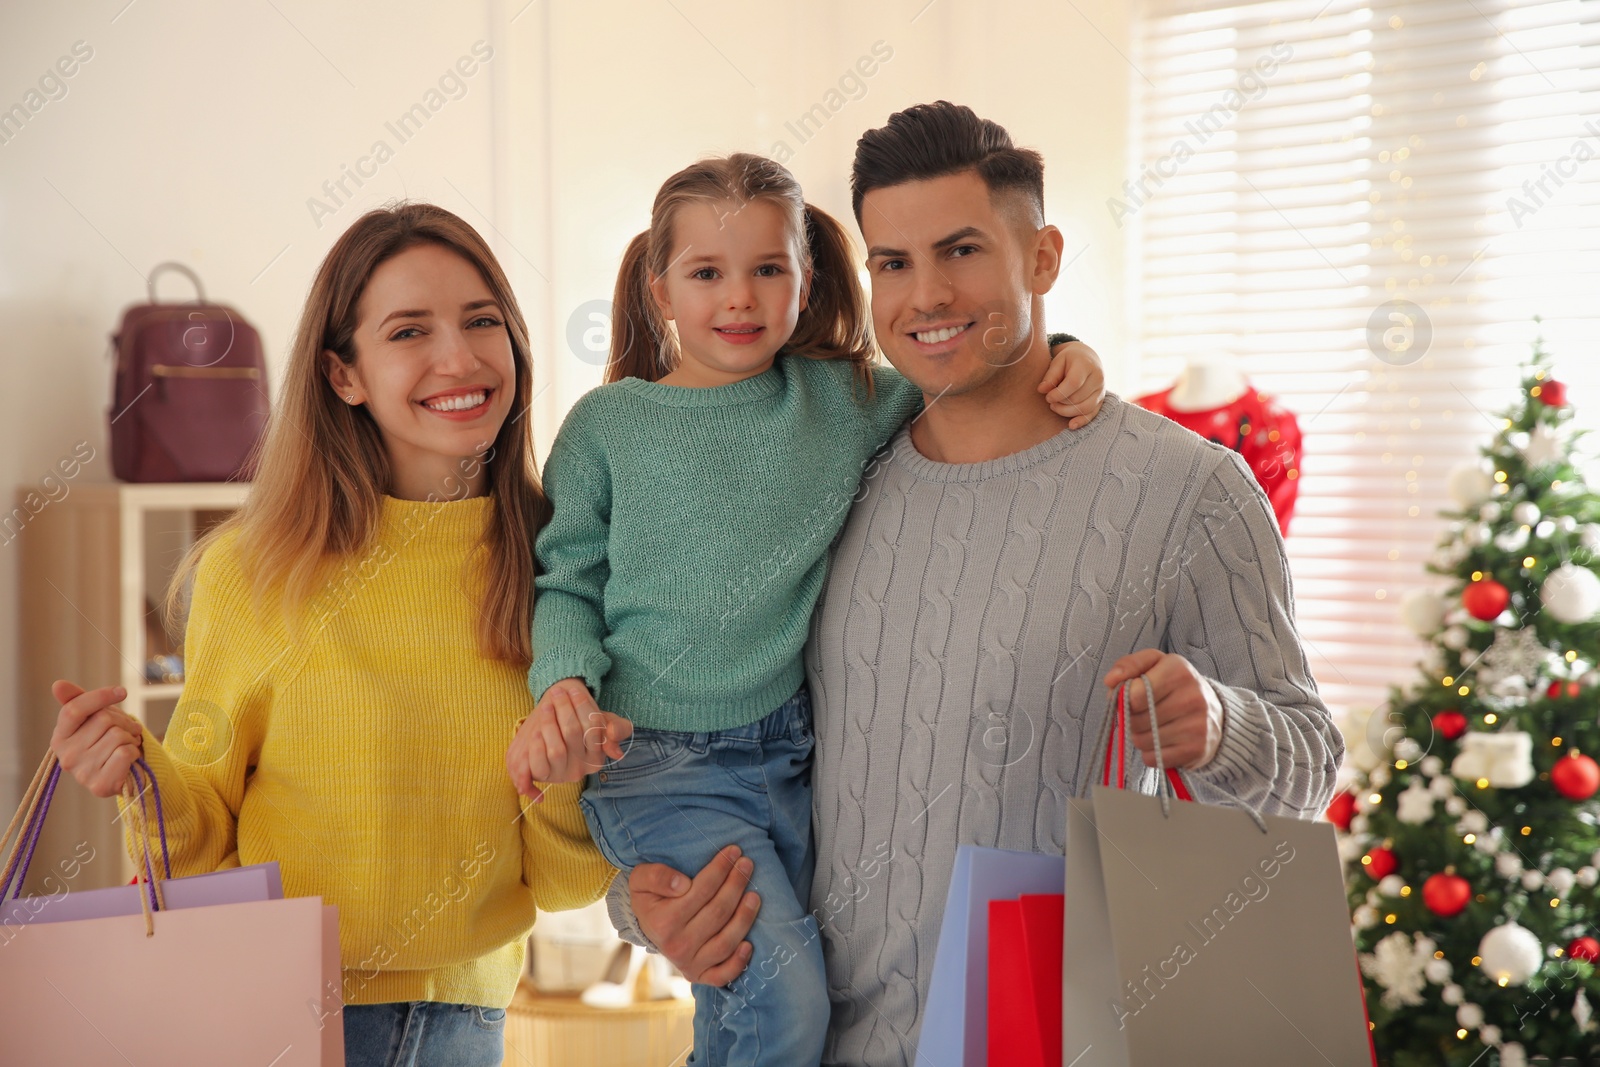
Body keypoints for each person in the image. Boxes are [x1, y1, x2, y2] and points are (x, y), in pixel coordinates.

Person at [610, 103, 1346, 1067]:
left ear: (1042, 256)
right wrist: (646, 903)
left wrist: (1217, 722)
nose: (925, 296)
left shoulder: (1190, 493)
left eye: (960, 250)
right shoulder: (838, 469)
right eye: (892, 262)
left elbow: (1310, 758)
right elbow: (712, 726)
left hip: (1059, 1039)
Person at [503, 153, 1105, 1066]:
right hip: (659, 763)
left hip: (791, 755)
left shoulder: (842, 396)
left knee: (780, 998)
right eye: (707, 273)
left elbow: (967, 374)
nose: (738, 298)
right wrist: (563, 687)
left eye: (767, 269)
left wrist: (1068, 353)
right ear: (660, 288)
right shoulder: (607, 425)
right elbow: (566, 580)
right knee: (779, 1002)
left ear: (806, 278)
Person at [47, 204, 614, 1067]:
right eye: (409, 331)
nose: (458, 358)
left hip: (465, 1026)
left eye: (481, 320)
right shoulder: (252, 572)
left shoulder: (560, 568)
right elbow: (197, 846)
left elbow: (569, 885)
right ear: (343, 374)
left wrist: (561, 782)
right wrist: (135, 770)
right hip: (274, 1012)